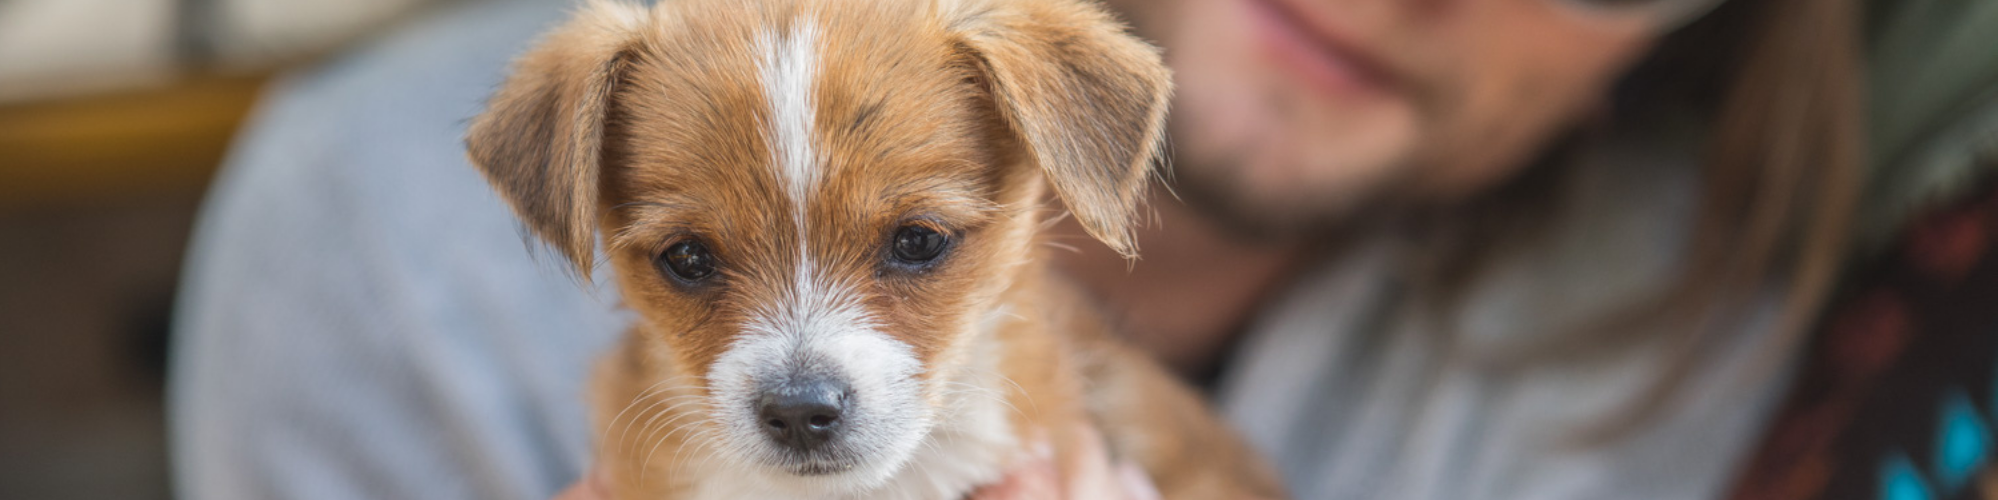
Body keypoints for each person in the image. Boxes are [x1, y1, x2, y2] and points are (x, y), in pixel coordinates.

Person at [171, 0, 1997, 498]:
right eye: (690, 265)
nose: (804, 366)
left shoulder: (1690, 327)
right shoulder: (370, 236)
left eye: (915, 247)